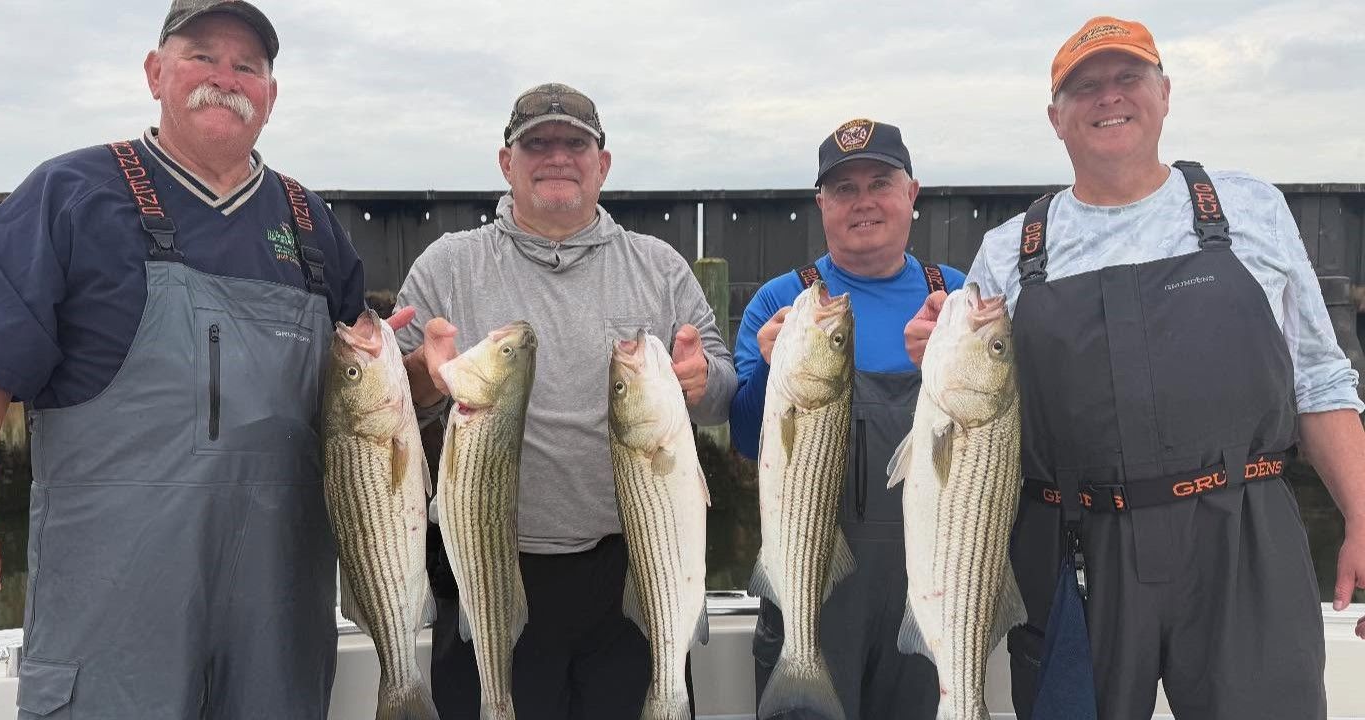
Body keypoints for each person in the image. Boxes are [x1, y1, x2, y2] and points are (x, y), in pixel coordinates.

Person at [906, 16, 1365, 720]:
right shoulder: (1010, 250)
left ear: (1165, 93)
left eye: (1128, 78)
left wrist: (1362, 517)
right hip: (1075, 551)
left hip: (1243, 534)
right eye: (1084, 87)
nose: (1107, 97)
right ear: (1056, 118)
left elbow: (1320, 380)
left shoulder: (1249, 210)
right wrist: (935, 353)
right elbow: (976, 427)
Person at [0, 2, 366, 717]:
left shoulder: (310, 223)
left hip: (278, 603)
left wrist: (428, 377)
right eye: (201, 57)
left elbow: (361, 397)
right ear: (155, 71)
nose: (224, 78)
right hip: (115, 600)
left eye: (247, 66)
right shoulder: (69, 195)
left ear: (270, 95)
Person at [392, 82, 735, 719]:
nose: (557, 157)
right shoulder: (448, 266)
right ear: (506, 163)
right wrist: (416, 371)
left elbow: (718, 393)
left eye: (575, 144)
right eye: (538, 144)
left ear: (602, 163)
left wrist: (700, 379)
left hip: (635, 563)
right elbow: (393, 408)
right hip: (488, 560)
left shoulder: (658, 266)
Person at [730, 118, 966, 720]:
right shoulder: (782, 302)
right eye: (843, 189)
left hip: (930, 575)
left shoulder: (957, 299)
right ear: (821, 206)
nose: (863, 202)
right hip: (811, 567)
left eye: (879, 183)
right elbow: (747, 438)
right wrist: (766, 369)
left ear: (912, 193)